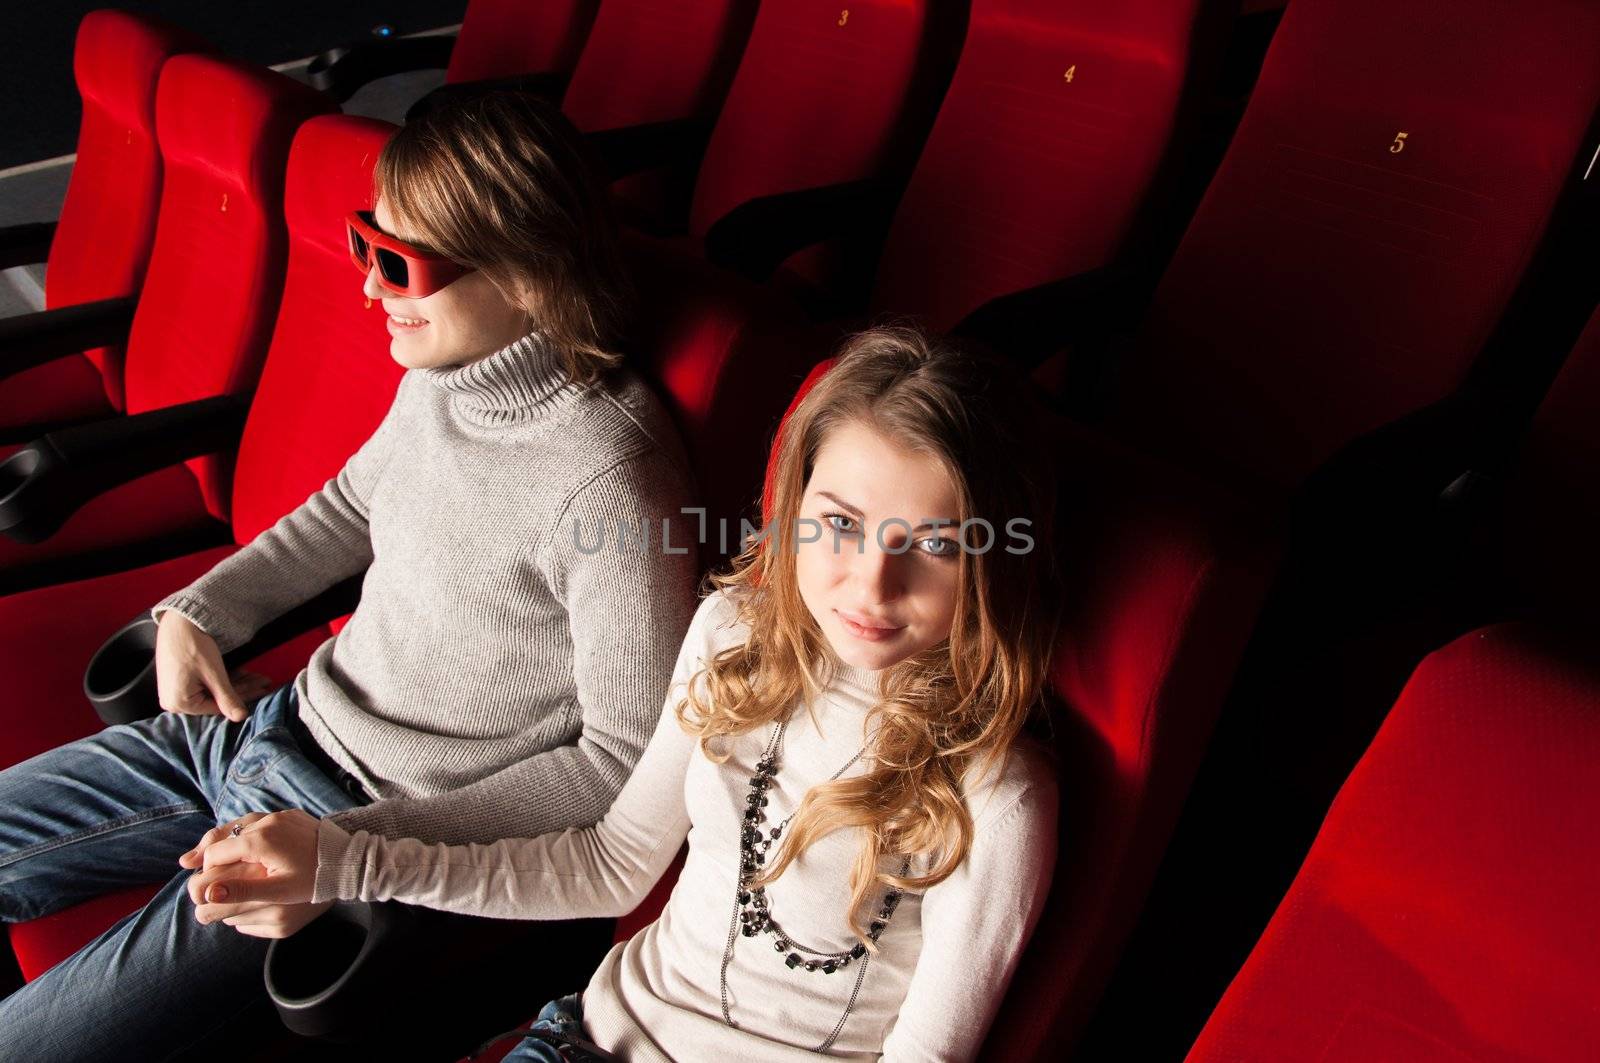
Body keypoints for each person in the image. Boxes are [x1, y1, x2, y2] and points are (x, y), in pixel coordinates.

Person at [0, 90, 698, 1062]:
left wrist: (350, 857)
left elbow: (615, 760)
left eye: (400, 263)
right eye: (366, 242)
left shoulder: (611, 478)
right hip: (260, 726)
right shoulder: (443, 379)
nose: (367, 285)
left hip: (350, 815)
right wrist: (203, 608)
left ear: (532, 274)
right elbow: (347, 507)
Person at [188, 326, 1063, 1062]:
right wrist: (350, 862)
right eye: (839, 525)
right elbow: (610, 864)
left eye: (936, 545)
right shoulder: (732, 633)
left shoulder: (999, 792)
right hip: (591, 1038)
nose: (872, 586)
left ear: (995, 561)